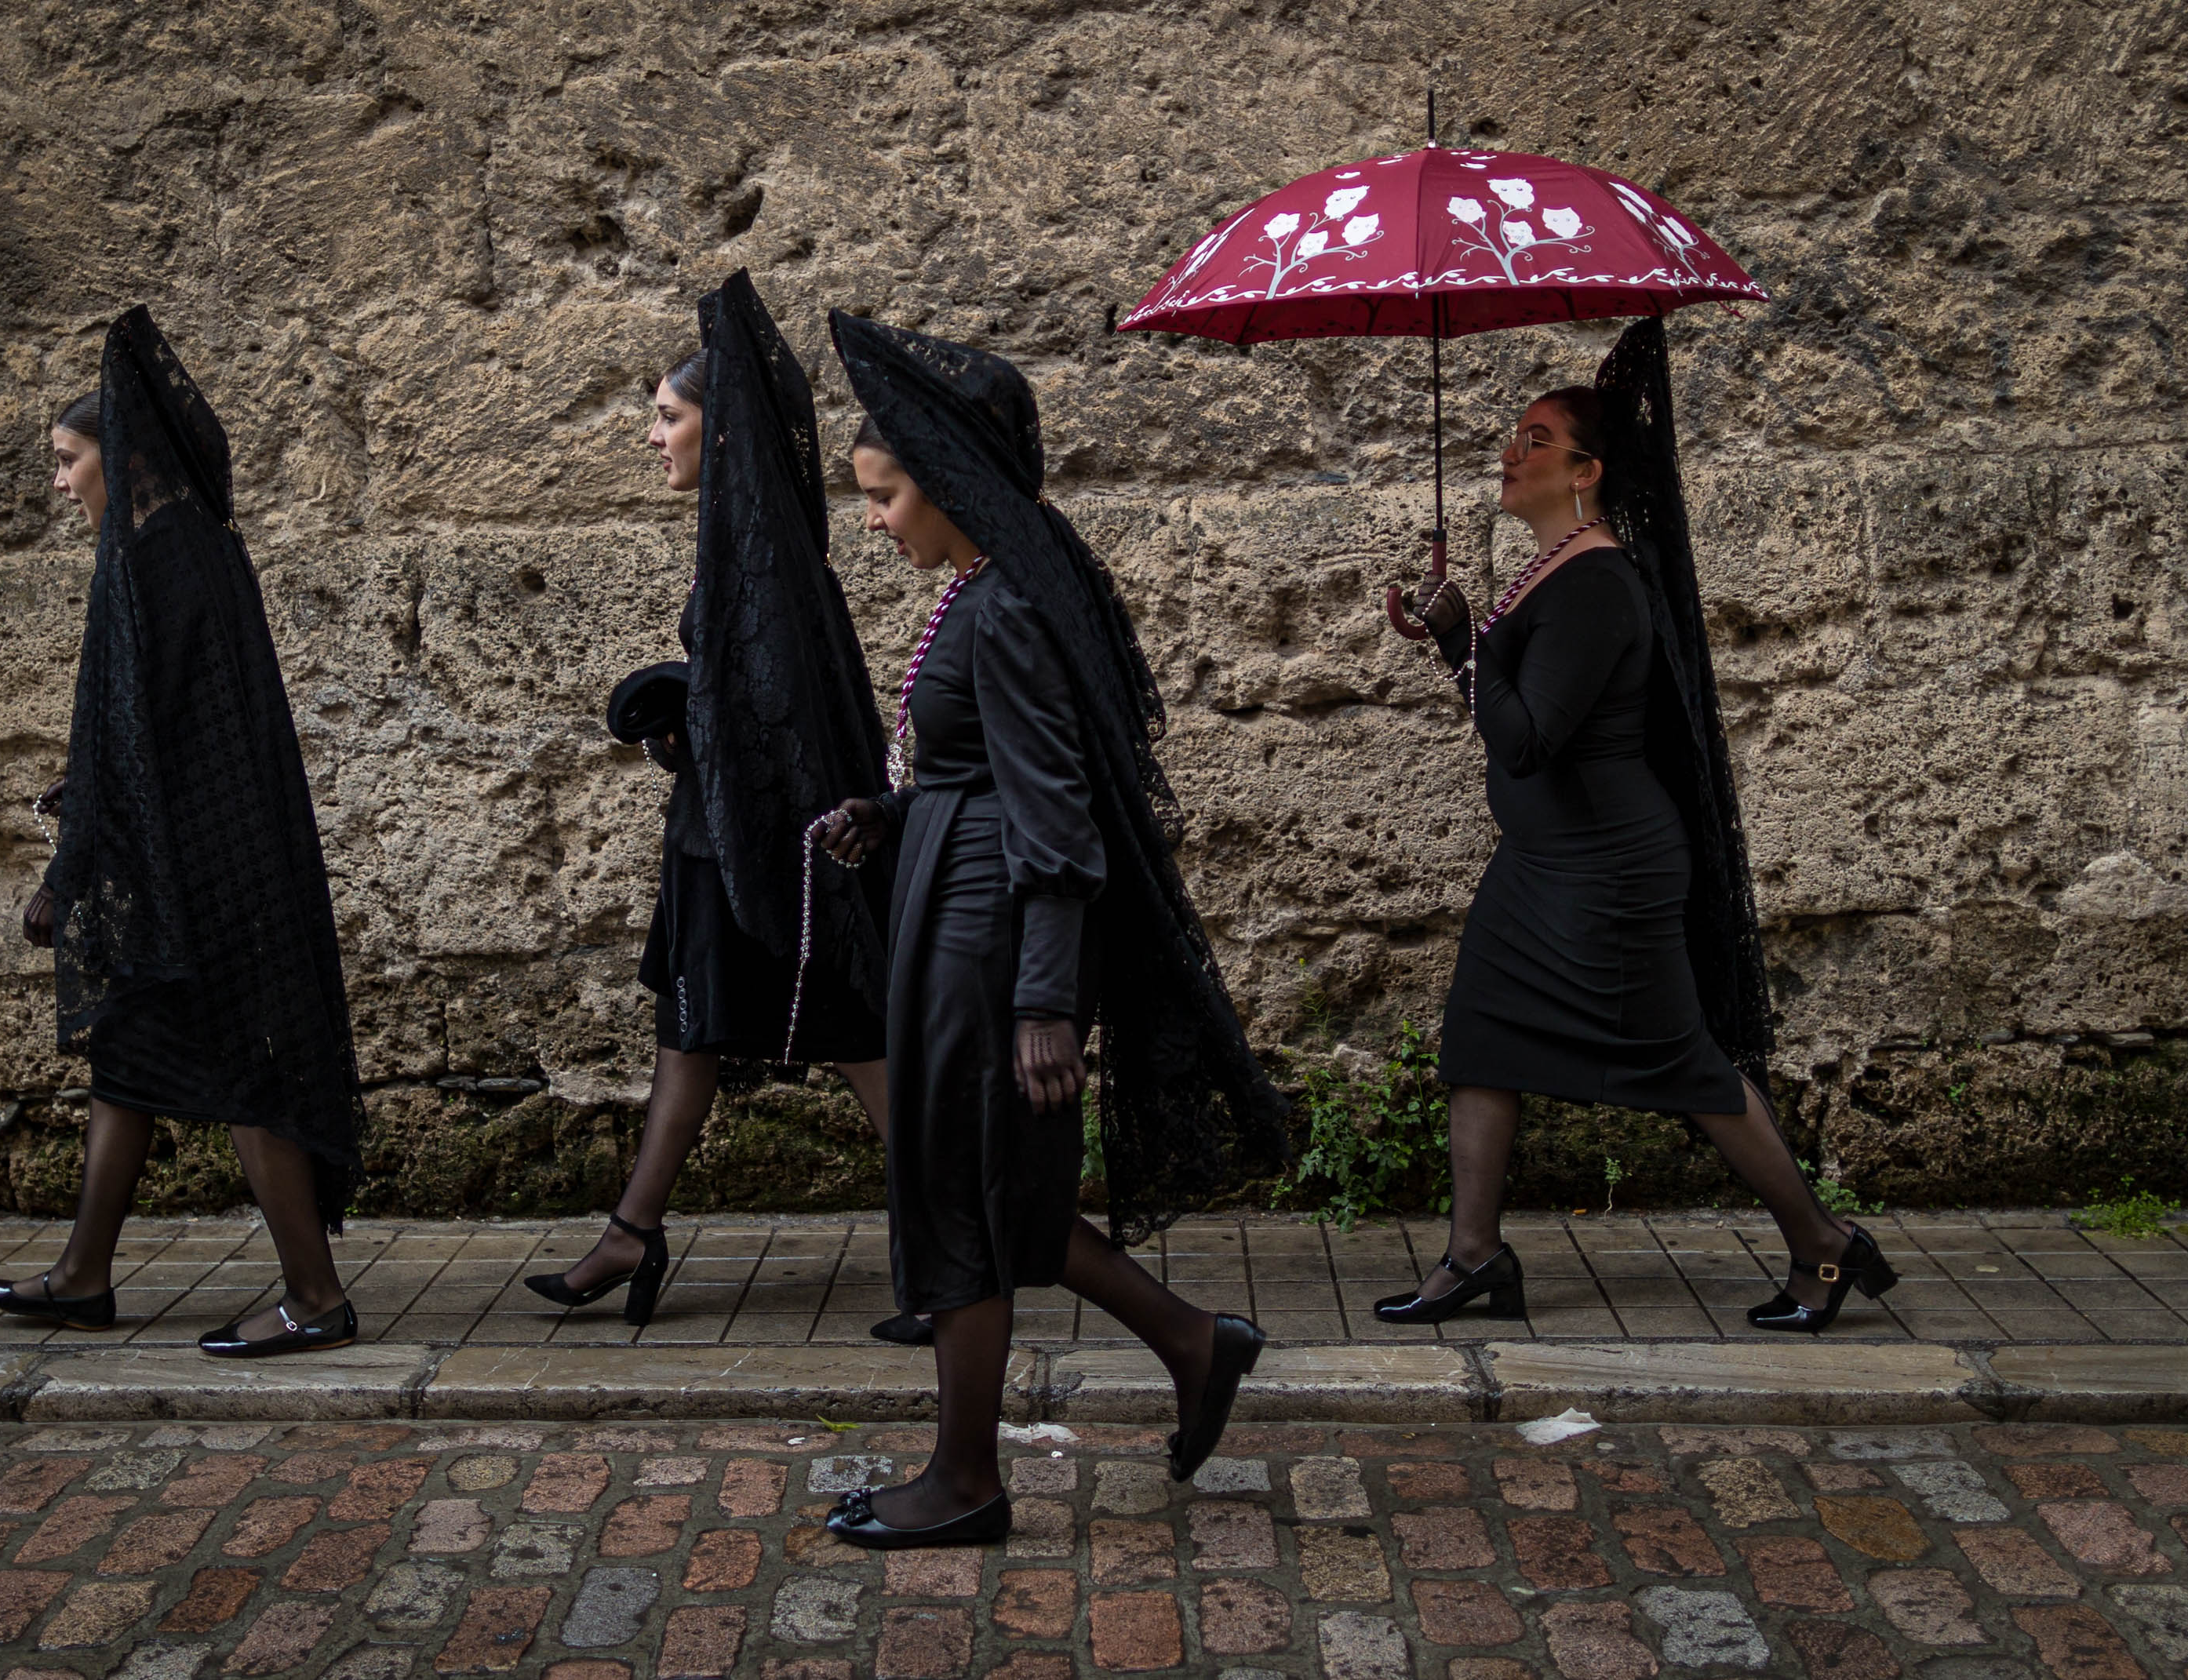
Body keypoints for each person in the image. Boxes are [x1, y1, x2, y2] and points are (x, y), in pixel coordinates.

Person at [811, 315, 1291, 1551]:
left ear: (952, 478)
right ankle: (1195, 1341)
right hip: (953, 903)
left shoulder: (1007, 609)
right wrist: (889, 810)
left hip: (985, 944)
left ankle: (967, 1477)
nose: (876, 522)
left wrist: (1043, 1001)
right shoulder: (981, 590)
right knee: (1009, 1201)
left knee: (966, 1200)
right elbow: (974, 772)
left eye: (886, 495)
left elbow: (1057, 818)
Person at [1382, 318, 1894, 1335]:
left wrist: (1457, 643)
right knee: (1481, 1037)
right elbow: (1515, 714)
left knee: (1688, 1066)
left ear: (1588, 472)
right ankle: (1474, 1256)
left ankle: (1825, 1246)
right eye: (1513, 435)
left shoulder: (1599, 584)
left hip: (1606, 872)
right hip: (1545, 864)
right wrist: (1460, 644)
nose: (1510, 452)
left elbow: (1528, 738)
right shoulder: (1557, 571)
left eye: (1536, 438)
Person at [524, 273, 912, 1338]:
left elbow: (779, 710)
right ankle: (633, 1231)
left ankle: (957, 1238)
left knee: (857, 1035)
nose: (653, 436)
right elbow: (753, 707)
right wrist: (684, 715)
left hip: (760, 855)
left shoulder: (762, 557)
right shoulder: (742, 544)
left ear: (720, 425)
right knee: (692, 1033)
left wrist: (687, 706)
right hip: (721, 845)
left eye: (667, 415)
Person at [0, 305, 367, 1358]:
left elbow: (135, 727)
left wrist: (70, 870)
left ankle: (316, 1295)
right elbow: (151, 724)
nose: (61, 484)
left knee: (249, 1065)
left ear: (121, 453)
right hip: (196, 852)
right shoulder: (184, 540)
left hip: (210, 867)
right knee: (132, 1053)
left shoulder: (160, 557)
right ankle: (83, 1275)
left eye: (69, 461)